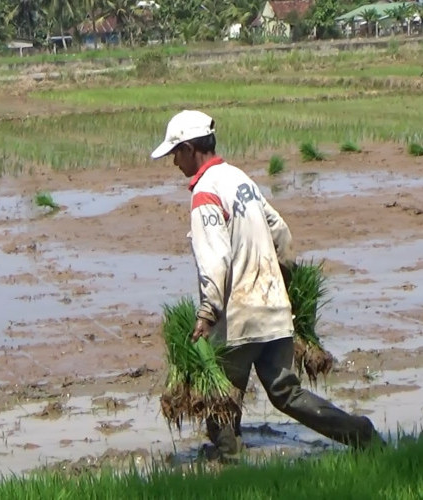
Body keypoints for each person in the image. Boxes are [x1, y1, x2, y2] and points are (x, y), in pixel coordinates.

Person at [150, 109, 382, 461]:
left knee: (219, 404)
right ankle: (360, 434)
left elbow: (215, 260)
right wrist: (280, 288)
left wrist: (207, 313)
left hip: (240, 317)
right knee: (286, 393)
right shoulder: (240, 179)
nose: (173, 163)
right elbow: (281, 234)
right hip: (274, 311)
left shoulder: (205, 194)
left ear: (190, 148)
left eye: (174, 153)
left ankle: (233, 467)